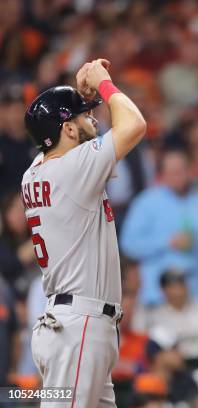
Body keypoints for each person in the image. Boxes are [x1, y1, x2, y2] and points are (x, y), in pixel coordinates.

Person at [23, 59, 146, 406]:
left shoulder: (36, 170)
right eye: (85, 115)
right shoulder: (74, 169)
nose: (95, 118)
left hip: (75, 324)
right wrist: (104, 83)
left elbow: (53, 137)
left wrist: (77, 96)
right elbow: (135, 124)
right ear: (68, 130)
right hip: (79, 326)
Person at [120, 148, 198, 306]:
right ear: (162, 174)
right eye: (172, 172)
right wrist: (166, 242)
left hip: (197, 294)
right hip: (157, 296)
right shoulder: (146, 202)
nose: (178, 176)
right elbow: (128, 244)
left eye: (181, 170)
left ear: (190, 171)